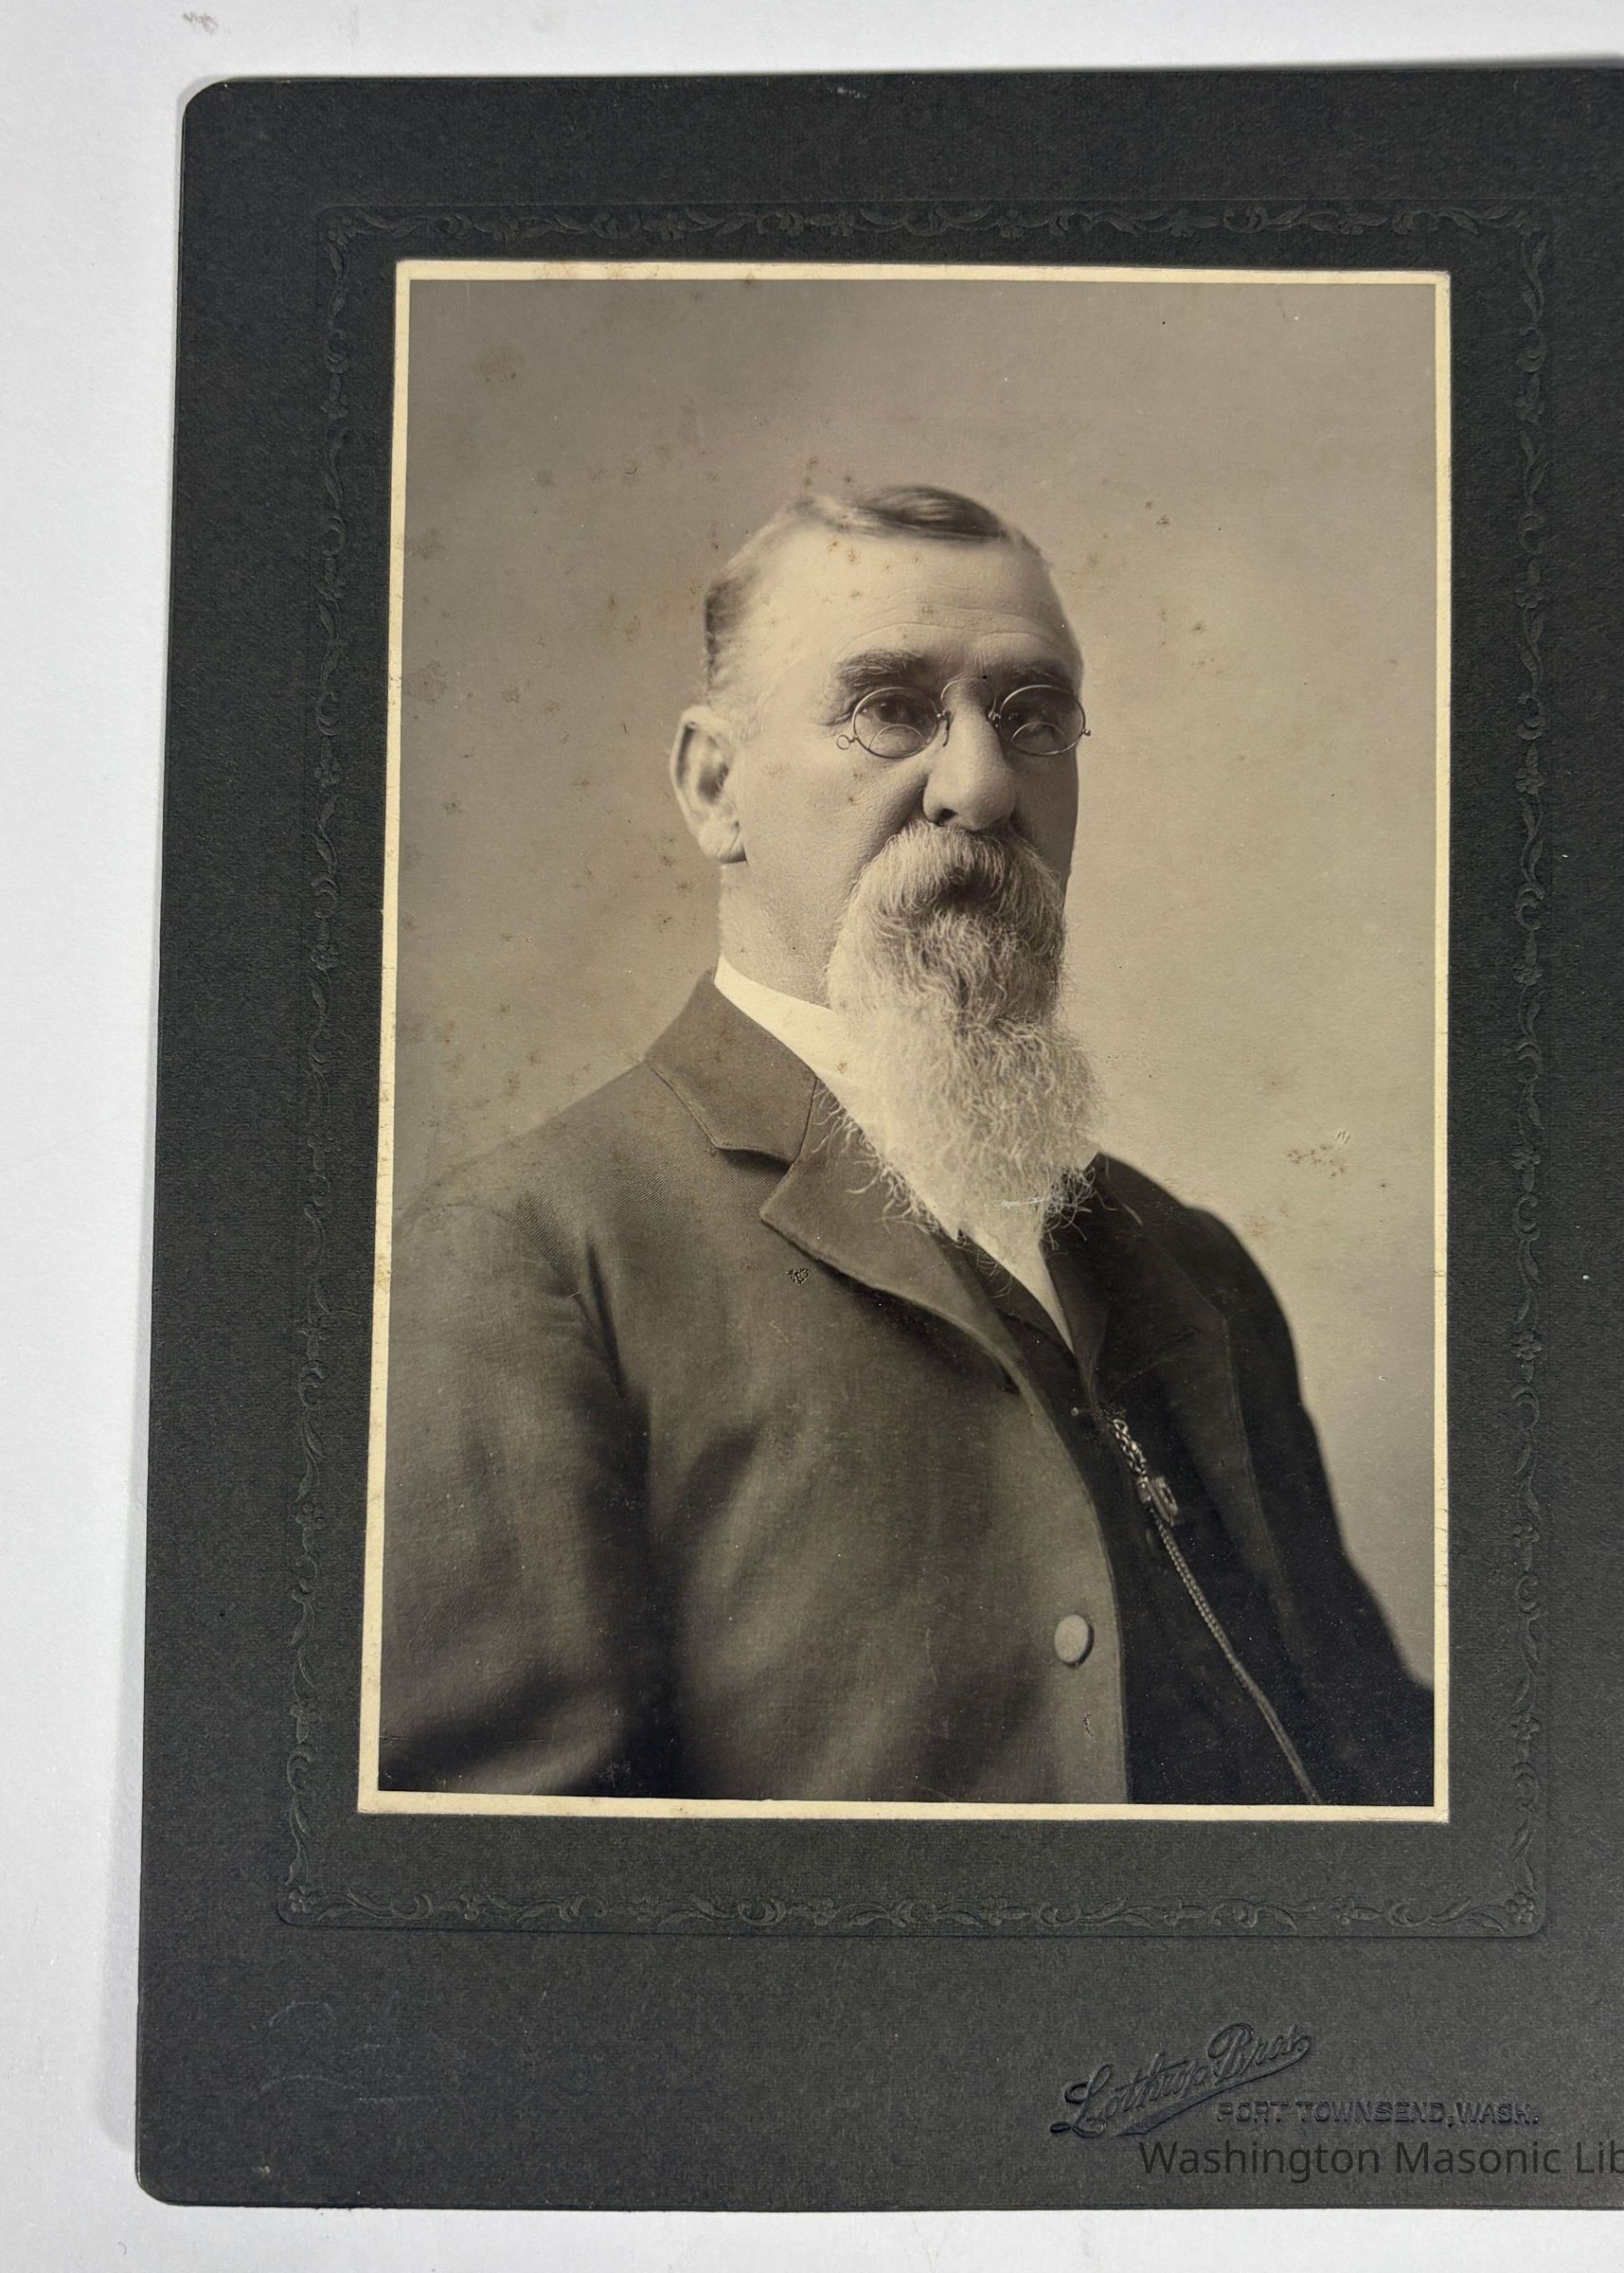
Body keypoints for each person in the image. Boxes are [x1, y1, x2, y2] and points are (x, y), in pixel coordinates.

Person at [376, 483, 1430, 1807]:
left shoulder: (1194, 1264)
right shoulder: (530, 1260)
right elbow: (524, 1889)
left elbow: (1376, 1768)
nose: (982, 788)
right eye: (889, 709)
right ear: (715, 789)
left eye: (1031, 718)